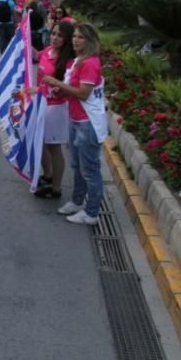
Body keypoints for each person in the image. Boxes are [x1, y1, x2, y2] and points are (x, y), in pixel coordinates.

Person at [44, 24, 108, 226]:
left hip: (87, 122)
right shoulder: (76, 61)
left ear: (90, 41)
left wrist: (57, 83)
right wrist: (59, 90)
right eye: (74, 36)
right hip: (75, 119)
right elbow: (72, 89)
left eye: (80, 37)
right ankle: (77, 201)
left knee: (90, 169)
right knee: (77, 166)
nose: (75, 40)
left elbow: (83, 93)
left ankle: (91, 213)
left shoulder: (90, 63)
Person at [35, 22, 75, 199]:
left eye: (60, 35)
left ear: (67, 39)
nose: (55, 37)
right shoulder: (46, 51)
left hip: (56, 107)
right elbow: (36, 58)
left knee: (54, 147)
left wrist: (55, 88)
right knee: (41, 142)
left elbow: (67, 86)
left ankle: (56, 187)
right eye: (53, 33)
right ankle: (48, 174)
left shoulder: (69, 62)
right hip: (40, 103)